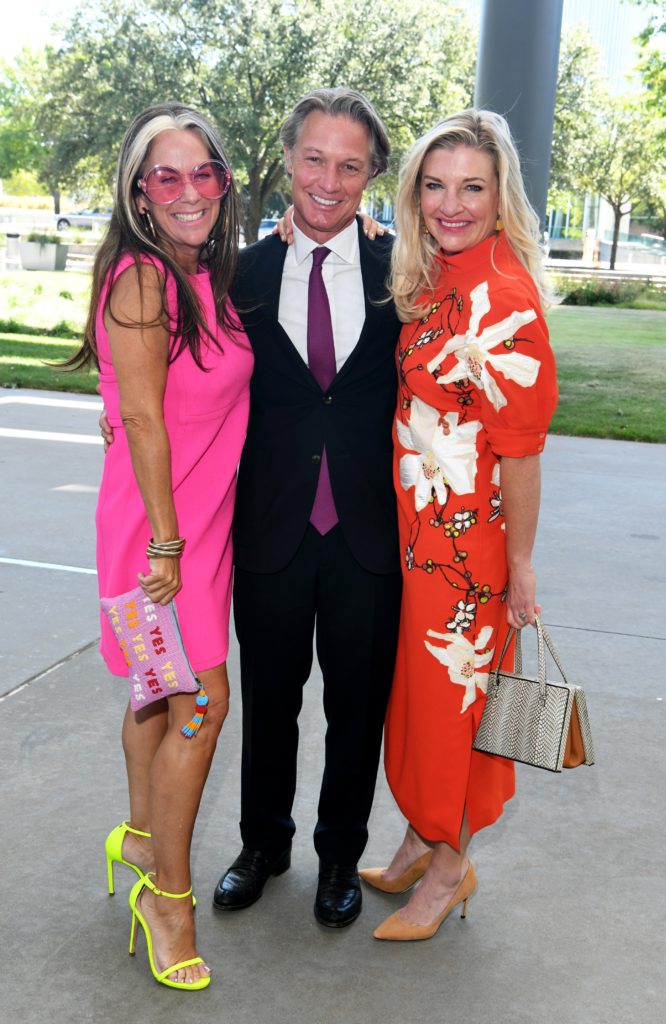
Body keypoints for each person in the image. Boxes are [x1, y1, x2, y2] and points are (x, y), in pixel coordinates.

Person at [358, 109, 558, 940]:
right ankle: (421, 835)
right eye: (434, 186)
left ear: (500, 193)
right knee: (420, 703)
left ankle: (450, 866)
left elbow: (522, 455)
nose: (451, 204)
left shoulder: (504, 300)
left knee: (455, 713)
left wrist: (521, 566)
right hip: (421, 539)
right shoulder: (434, 273)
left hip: (470, 555)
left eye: (472, 187)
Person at [212, 88, 403, 928]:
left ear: (372, 175)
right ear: (288, 157)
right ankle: (262, 845)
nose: (328, 181)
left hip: (370, 535)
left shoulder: (405, 271)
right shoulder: (241, 274)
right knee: (269, 705)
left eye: (349, 165)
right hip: (272, 530)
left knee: (356, 711)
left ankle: (339, 858)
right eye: (314, 159)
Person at [77, 102, 253, 988]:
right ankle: (169, 900)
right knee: (200, 705)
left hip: (197, 530)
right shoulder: (144, 278)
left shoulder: (201, 274)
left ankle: (142, 838)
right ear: (139, 193)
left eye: (203, 172)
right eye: (166, 176)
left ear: (224, 182)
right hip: (161, 540)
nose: (189, 191)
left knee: (158, 694)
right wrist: (168, 544)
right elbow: (143, 417)